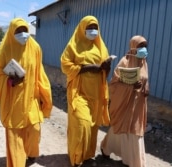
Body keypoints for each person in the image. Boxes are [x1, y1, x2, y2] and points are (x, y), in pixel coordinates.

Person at [0, 18, 53, 167]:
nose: (22, 34)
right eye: (18, 31)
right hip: (13, 100)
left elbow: (39, 72)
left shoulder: (35, 48)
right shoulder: (5, 49)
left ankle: (31, 153)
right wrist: (10, 82)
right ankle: (17, 163)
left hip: (32, 98)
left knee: (34, 129)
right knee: (15, 135)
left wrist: (44, 94)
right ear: (12, 32)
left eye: (24, 30)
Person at [60, 15, 111, 167]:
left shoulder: (100, 47)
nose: (93, 31)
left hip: (96, 93)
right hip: (79, 92)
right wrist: (86, 68)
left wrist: (105, 68)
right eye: (89, 28)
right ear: (82, 29)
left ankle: (87, 156)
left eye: (95, 27)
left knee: (93, 126)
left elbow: (104, 72)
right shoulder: (73, 46)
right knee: (82, 124)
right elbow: (65, 65)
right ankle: (76, 157)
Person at [100, 35, 149, 167]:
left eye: (145, 46)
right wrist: (130, 86)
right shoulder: (124, 62)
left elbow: (145, 80)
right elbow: (114, 85)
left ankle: (134, 161)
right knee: (121, 126)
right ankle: (107, 148)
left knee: (134, 130)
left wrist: (145, 88)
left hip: (138, 104)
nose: (143, 49)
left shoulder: (144, 62)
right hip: (124, 103)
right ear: (133, 47)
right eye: (140, 46)